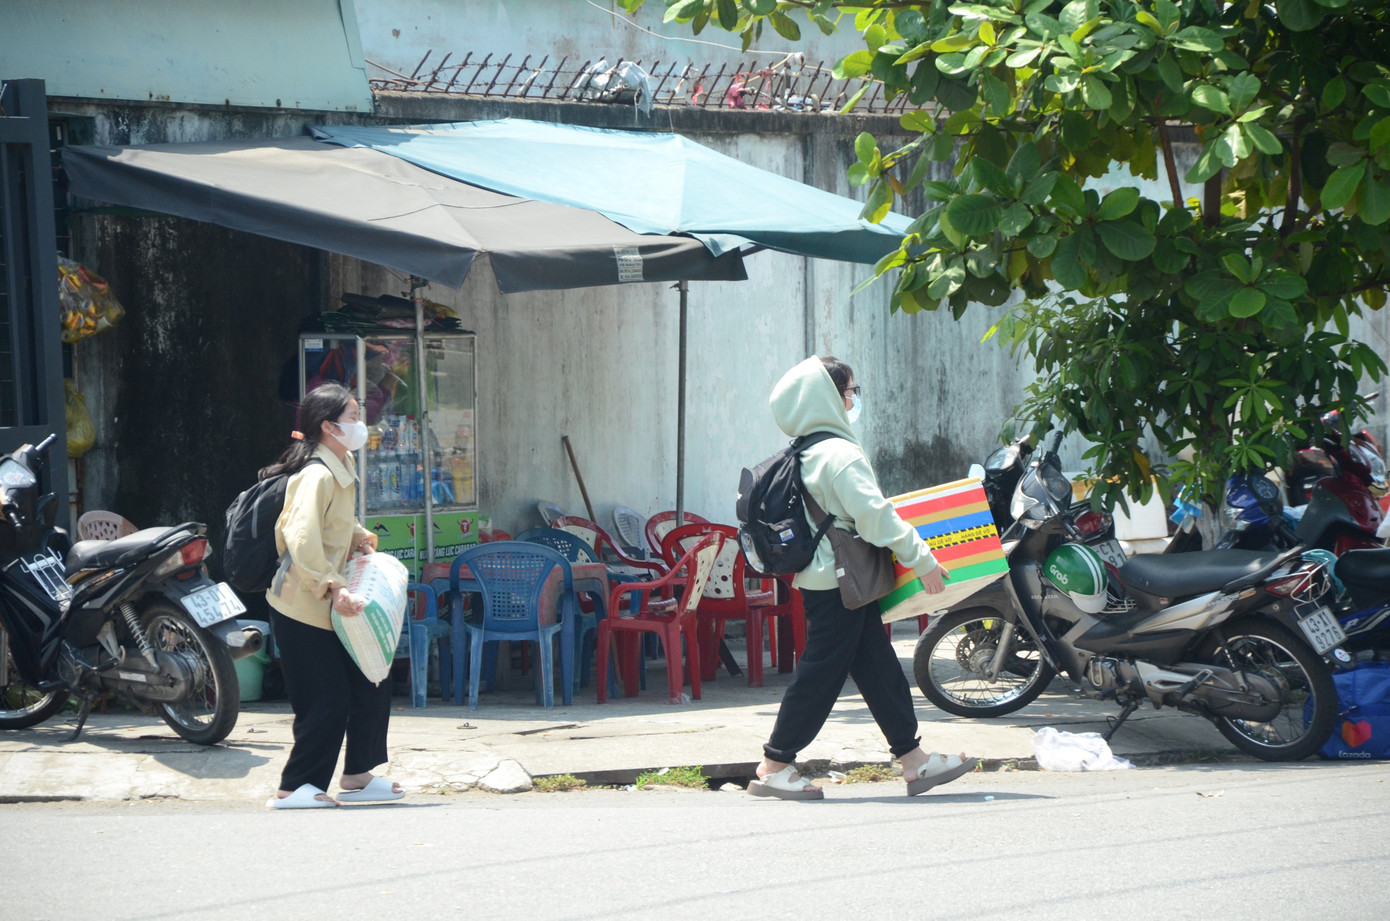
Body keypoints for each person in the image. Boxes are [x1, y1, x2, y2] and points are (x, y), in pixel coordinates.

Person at [749, 356, 977, 800]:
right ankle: (774, 764)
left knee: (876, 667)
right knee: (821, 674)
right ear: (830, 397)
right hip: (840, 583)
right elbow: (875, 518)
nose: (854, 399)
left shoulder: (810, 449)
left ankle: (914, 761)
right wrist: (922, 559)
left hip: (833, 580)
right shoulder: (838, 453)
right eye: (851, 391)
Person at [264, 382, 401, 809]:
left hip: (331, 604)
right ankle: (295, 787)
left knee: (371, 679)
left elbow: (333, 523)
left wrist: (358, 536)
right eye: (353, 417)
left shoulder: (341, 467)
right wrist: (333, 584)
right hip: (302, 605)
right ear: (328, 427)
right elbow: (300, 536)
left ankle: (359, 775)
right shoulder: (317, 474)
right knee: (325, 697)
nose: (361, 425)